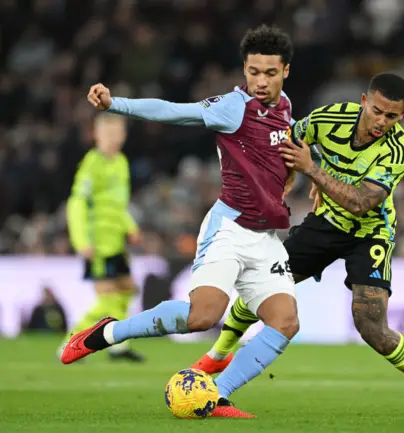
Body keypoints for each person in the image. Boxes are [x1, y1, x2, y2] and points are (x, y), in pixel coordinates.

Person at [59, 25, 300, 418]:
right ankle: (107, 332)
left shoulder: (286, 106)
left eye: (269, 73)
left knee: (285, 322)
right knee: (202, 316)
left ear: (285, 71)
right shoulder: (232, 107)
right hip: (230, 229)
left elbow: (281, 150)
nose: (260, 81)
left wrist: (299, 173)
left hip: (266, 235)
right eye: (253, 71)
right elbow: (172, 111)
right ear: (244, 68)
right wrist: (114, 104)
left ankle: (216, 394)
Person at [193, 73, 404, 418]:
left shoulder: (399, 149)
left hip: (370, 232)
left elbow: (362, 202)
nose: (381, 122)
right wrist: (289, 175)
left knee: (370, 324)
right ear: (364, 100)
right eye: (376, 111)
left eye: (391, 116)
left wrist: (315, 174)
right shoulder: (329, 118)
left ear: (402, 115)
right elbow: (284, 141)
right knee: (265, 286)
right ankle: (220, 352)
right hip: (326, 223)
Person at [62, 112, 144, 363]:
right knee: (108, 297)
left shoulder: (120, 162)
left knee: (128, 289)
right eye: (107, 133)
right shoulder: (92, 163)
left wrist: (130, 226)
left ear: (124, 135)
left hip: (116, 241)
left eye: (117, 133)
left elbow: (117, 205)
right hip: (97, 243)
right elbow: (77, 202)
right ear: (96, 135)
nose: (113, 138)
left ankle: (118, 344)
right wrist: (81, 241)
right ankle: (71, 340)